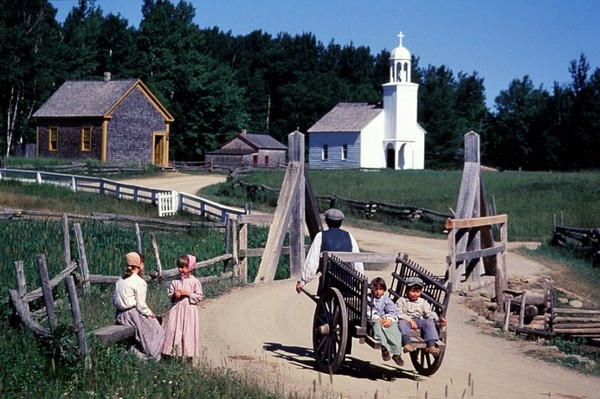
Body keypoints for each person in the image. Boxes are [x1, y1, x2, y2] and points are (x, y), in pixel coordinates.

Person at [295, 208, 363, 293]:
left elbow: (312, 261)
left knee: (321, 304)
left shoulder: (321, 236)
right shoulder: (349, 236)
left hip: (328, 281)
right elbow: (356, 261)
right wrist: (359, 281)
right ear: (341, 222)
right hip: (347, 282)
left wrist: (303, 281)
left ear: (326, 221)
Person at [113, 251, 165, 361]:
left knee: (147, 330)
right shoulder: (138, 282)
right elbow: (141, 306)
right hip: (132, 315)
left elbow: (115, 301)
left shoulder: (120, 280)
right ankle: (150, 356)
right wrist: (151, 314)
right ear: (140, 265)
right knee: (157, 330)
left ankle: (136, 352)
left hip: (119, 314)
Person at [162, 254, 204, 360]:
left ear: (190, 268)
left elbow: (199, 296)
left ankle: (189, 357)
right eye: (179, 267)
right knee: (174, 330)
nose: (180, 270)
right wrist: (174, 295)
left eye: (183, 267)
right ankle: (175, 355)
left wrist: (188, 293)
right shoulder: (175, 281)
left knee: (188, 332)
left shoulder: (195, 282)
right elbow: (170, 294)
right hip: (177, 310)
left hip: (189, 310)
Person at [396, 276, 447, 356]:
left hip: (418, 320)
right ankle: (407, 343)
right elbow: (398, 313)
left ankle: (431, 345)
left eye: (418, 291)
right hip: (406, 320)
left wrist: (438, 319)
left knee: (429, 323)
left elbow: (428, 313)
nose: (415, 294)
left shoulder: (422, 302)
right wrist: (410, 320)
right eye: (412, 291)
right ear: (407, 290)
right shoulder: (402, 300)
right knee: (401, 324)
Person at [368, 277, 404, 367]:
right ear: (372, 289)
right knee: (377, 327)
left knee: (395, 330)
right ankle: (384, 349)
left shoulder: (386, 300)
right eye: (376, 289)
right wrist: (377, 318)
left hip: (385, 319)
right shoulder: (369, 298)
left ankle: (397, 353)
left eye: (380, 289)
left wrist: (389, 319)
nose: (378, 292)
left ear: (384, 290)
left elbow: (392, 310)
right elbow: (368, 310)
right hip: (374, 319)